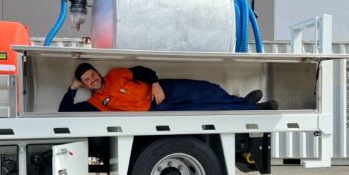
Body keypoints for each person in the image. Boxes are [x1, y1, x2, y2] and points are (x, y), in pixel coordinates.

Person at [58, 63, 278, 112]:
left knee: (206, 90)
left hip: (162, 91)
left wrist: (154, 83)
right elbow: (64, 112)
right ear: (84, 84)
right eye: (86, 80)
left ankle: (243, 102)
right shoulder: (96, 103)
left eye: (92, 74)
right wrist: (72, 87)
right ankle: (253, 108)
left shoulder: (116, 73)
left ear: (97, 72)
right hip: (155, 110)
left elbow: (143, 70)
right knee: (204, 108)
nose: (92, 80)